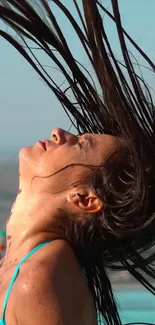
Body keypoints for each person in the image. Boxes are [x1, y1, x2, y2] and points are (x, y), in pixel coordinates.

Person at [0, 1, 155, 325]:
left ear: (84, 199)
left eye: (81, 145)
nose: (59, 133)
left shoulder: (41, 276)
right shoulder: (21, 263)